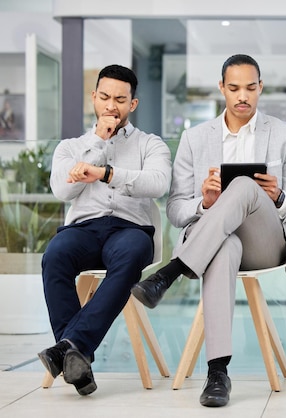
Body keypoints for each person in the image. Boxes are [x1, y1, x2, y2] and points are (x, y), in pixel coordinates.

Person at [131, 54, 286, 407]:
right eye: (234, 88)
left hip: (265, 240)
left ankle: (171, 271)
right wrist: (206, 204)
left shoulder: (285, 134)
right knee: (224, 246)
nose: (242, 96)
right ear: (221, 89)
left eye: (250, 88)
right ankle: (217, 373)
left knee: (243, 186)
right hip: (216, 242)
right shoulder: (196, 138)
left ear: (261, 88)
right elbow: (176, 210)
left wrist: (278, 196)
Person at [37, 64, 172, 396]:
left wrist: (107, 173)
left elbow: (159, 183)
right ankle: (77, 357)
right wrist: (98, 141)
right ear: (93, 97)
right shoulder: (70, 148)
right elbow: (62, 191)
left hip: (130, 229)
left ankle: (68, 349)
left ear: (133, 104)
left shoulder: (150, 144)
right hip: (83, 229)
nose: (112, 106)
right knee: (54, 255)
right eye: (106, 97)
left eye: (121, 99)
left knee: (132, 254)